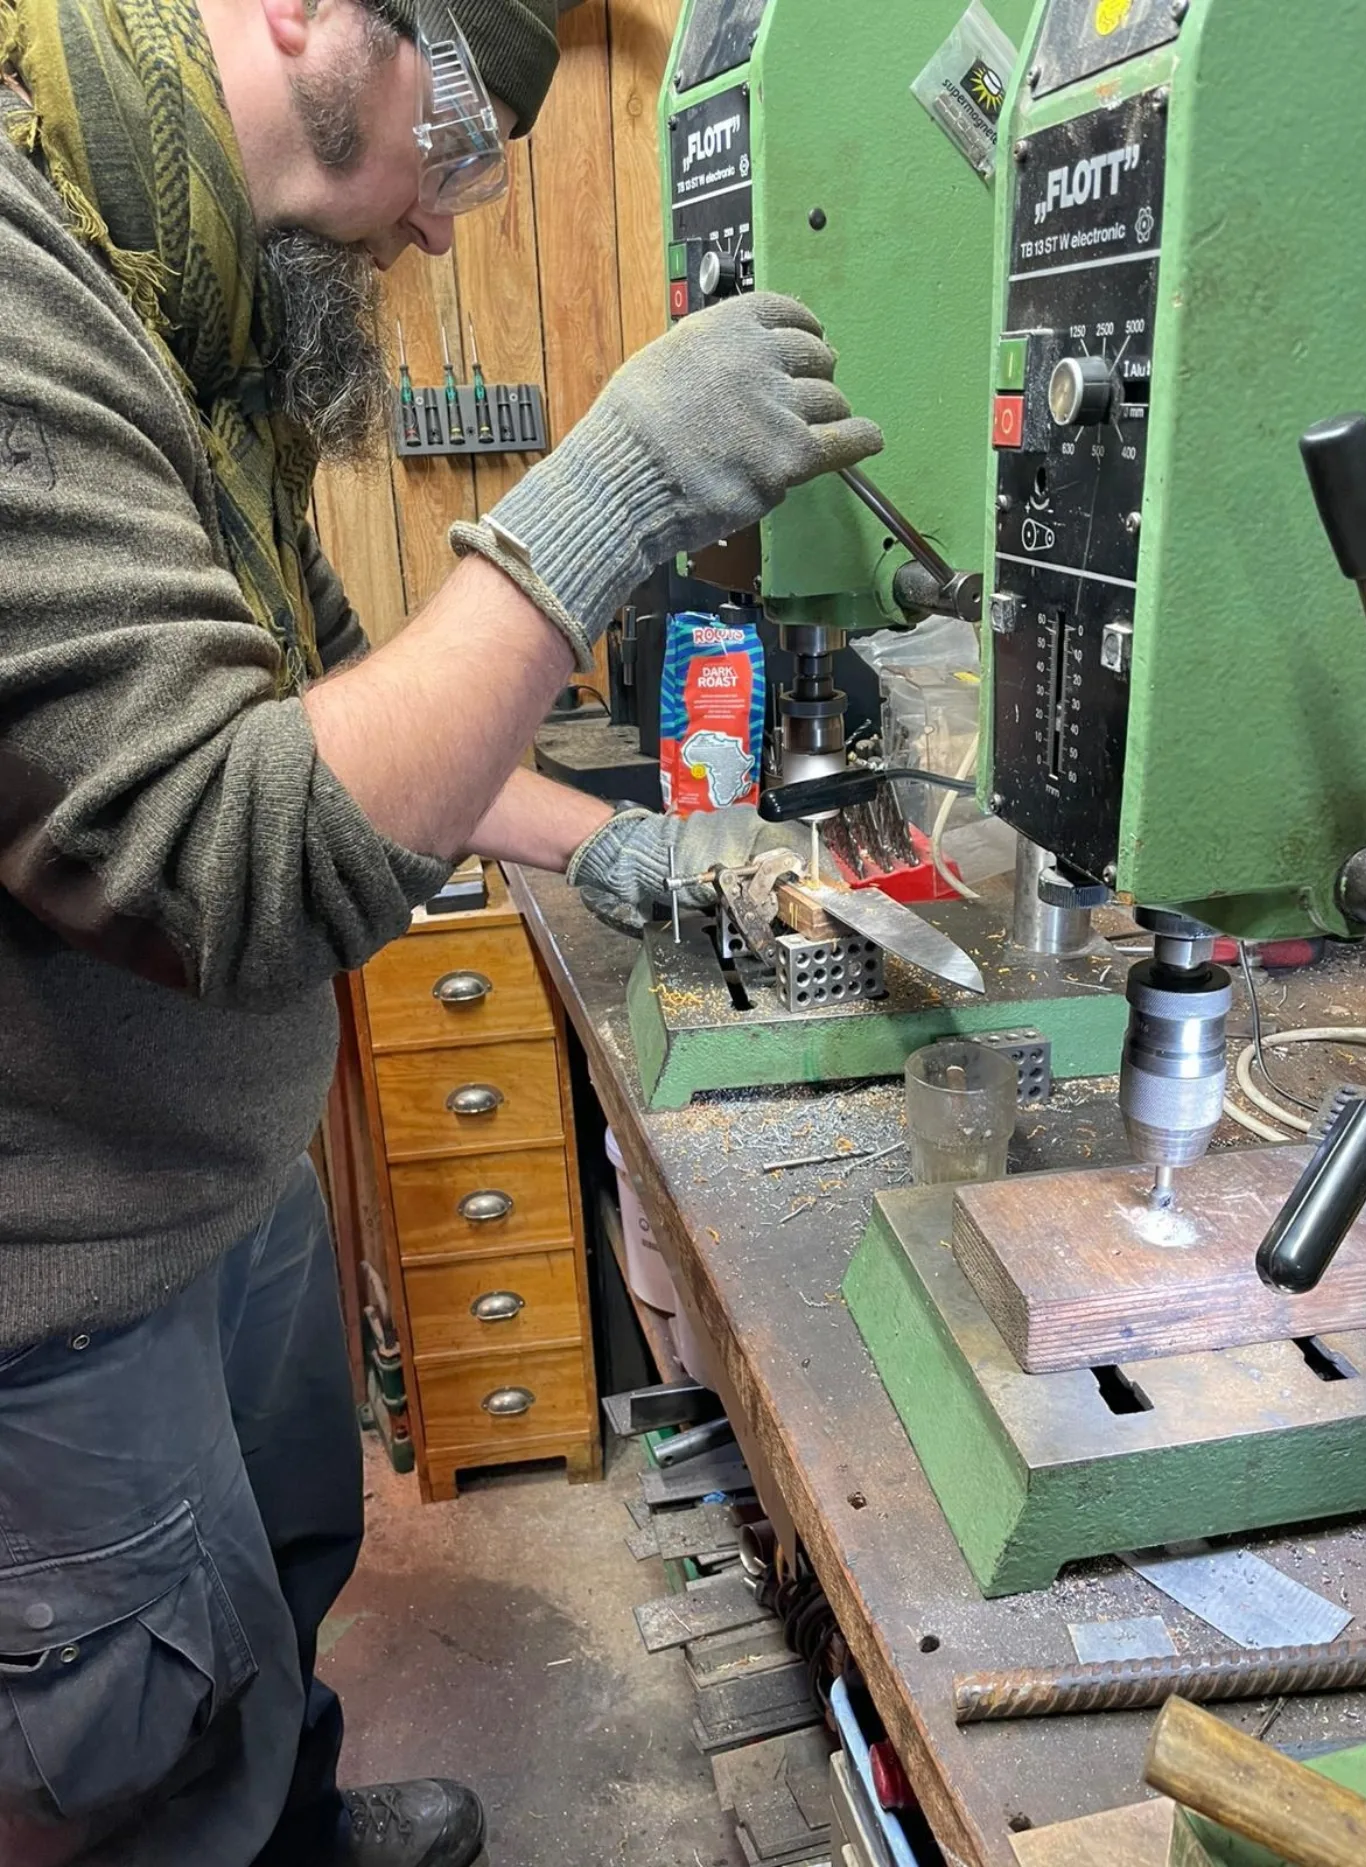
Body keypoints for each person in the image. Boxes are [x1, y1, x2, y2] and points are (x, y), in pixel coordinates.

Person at [0, 0, 882, 1859]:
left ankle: (299, 1826)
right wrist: (603, 494)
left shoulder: (188, 317)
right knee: (142, 1743)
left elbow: (352, 716)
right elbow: (224, 848)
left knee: (273, 1598)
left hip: (225, 1180)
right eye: (461, 133)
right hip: (63, 1284)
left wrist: (618, 843)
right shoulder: (28, 279)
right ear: (310, 15)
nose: (439, 218)